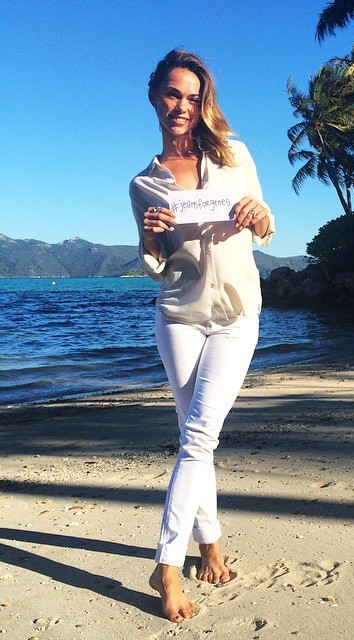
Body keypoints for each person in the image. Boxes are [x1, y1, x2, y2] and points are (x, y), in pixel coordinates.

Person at [129, 49, 275, 623]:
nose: (182, 106)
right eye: (172, 94)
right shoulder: (144, 182)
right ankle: (209, 543)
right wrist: (151, 236)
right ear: (154, 97)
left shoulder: (235, 153)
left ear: (203, 101)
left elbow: (266, 225)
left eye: (192, 96)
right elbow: (156, 263)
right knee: (196, 438)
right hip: (179, 317)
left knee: (197, 438)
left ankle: (166, 565)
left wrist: (258, 214)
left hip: (237, 314)